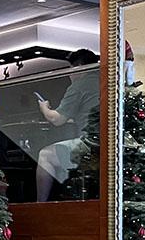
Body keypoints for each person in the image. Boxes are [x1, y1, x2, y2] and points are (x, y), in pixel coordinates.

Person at [36, 49, 100, 201]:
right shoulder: (105, 81)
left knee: (45, 155)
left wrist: (44, 108)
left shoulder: (79, 85)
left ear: (79, 67)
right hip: (109, 143)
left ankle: (40, 205)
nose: (69, 74)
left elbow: (56, 120)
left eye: (71, 69)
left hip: (91, 144)